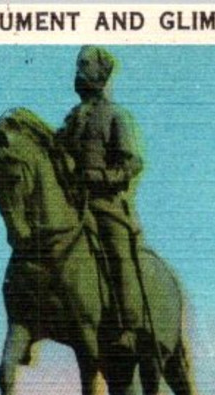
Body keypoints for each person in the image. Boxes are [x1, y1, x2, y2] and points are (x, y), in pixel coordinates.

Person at [58, 46, 147, 353]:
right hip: (73, 203)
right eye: (77, 67)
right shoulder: (72, 119)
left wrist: (100, 178)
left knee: (117, 251)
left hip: (106, 205)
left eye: (85, 67)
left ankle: (129, 328)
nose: (79, 73)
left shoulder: (115, 116)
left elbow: (133, 163)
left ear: (102, 73)